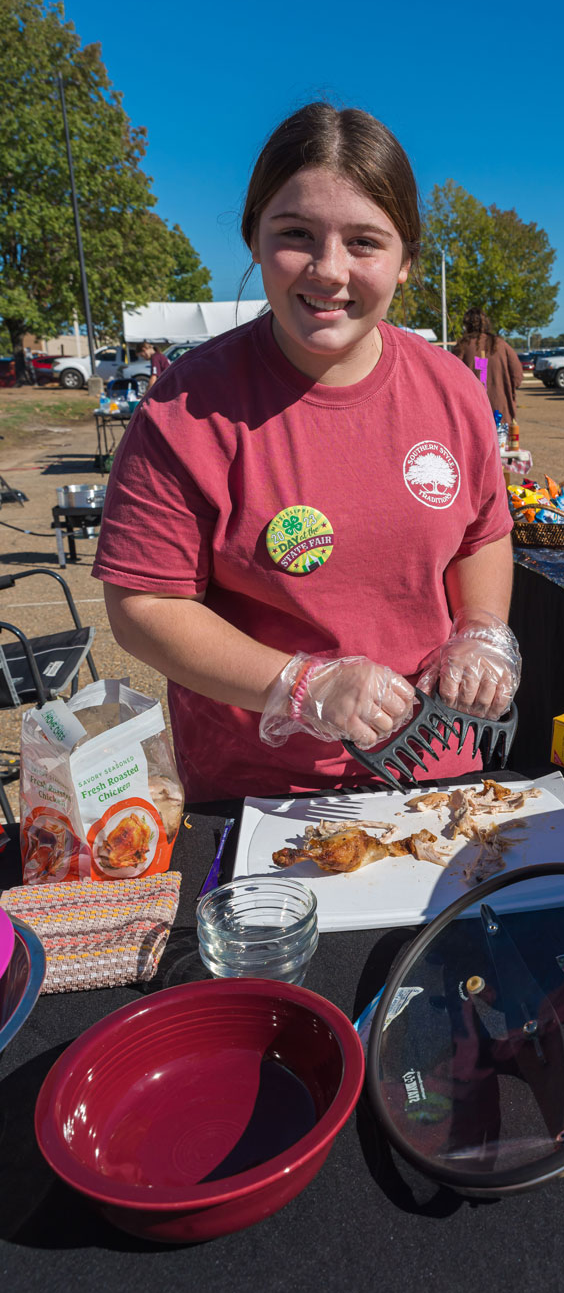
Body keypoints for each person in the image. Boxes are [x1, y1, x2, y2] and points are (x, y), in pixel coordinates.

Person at [92, 102, 519, 803]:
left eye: (363, 242)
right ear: (254, 240)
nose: (328, 270)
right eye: (296, 234)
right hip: (260, 793)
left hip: (436, 771)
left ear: (407, 260)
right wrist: (300, 685)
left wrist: (481, 630)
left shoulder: (452, 389)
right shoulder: (186, 407)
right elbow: (142, 602)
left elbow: (482, 532)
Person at [451, 308, 523, 427]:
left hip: (471, 413)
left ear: (467, 325)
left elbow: (450, 378)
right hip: (500, 412)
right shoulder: (501, 345)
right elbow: (517, 377)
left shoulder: (463, 347)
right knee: (500, 444)